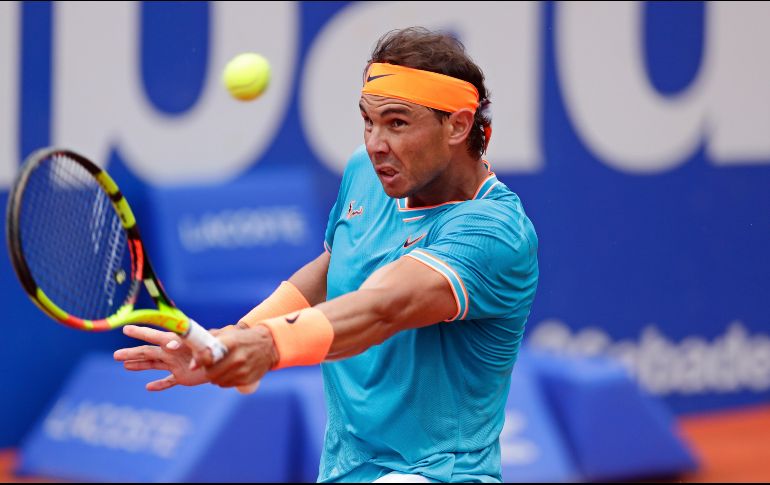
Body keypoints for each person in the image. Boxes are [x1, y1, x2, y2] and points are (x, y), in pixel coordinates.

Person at [114, 26, 539, 483]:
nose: (376, 143)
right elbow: (336, 267)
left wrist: (268, 345)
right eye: (368, 121)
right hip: (346, 468)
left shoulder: (494, 232)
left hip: (436, 473)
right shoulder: (368, 173)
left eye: (397, 123)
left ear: (456, 125)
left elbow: (384, 307)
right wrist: (236, 337)